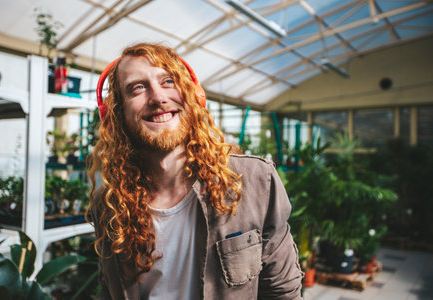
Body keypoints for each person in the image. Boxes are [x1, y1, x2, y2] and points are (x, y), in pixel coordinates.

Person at [87, 42, 303, 300]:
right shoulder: (110, 204)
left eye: (168, 81)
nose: (158, 98)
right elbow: (108, 291)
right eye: (138, 88)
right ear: (117, 114)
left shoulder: (254, 181)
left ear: (193, 96)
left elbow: (283, 293)